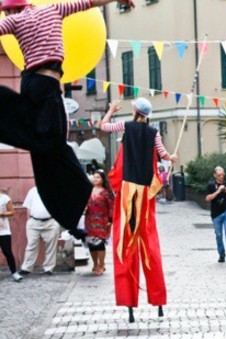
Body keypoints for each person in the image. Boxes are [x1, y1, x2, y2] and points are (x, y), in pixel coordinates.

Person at [0, 0, 134, 230]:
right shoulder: (55, 9)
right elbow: (90, 2)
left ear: (13, 9)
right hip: (47, 85)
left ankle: (74, 211)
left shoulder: (14, 19)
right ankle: (78, 206)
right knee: (51, 143)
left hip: (34, 85)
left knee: (44, 145)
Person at [101, 97, 177, 322]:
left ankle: (128, 303)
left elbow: (103, 126)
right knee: (149, 243)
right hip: (145, 194)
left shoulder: (127, 125)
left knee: (125, 245)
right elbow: (164, 154)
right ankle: (159, 302)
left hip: (127, 191)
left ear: (134, 111)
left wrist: (110, 110)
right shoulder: (154, 133)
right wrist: (171, 157)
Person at [18, 186, 61, 275]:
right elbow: (28, 207)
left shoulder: (54, 190)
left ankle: (48, 269)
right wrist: (29, 220)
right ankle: (26, 268)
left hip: (51, 221)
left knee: (51, 246)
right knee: (31, 245)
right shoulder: (32, 191)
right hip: (34, 221)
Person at [84, 169, 114, 275]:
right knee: (91, 243)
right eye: (94, 177)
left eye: (98, 177)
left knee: (100, 244)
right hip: (89, 220)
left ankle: (101, 264)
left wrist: (111, 220)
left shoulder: (106, 192)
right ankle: (95, 264)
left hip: (102, 221)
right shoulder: (88, 190)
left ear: (102, 179)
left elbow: (111, 206)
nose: (95, 179)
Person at [205, 166, 226, 263]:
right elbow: (207, 198)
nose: (221, 177)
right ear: (215, 175)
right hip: (216, 214)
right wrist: (218, 191)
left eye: (223, 174)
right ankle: (221, 255)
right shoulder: (211, 186)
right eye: (219, 175)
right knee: (218, 235)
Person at [0, 188, 22, 281]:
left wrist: (2, 214)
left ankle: (14, 273)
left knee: (7, 252)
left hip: (3, 231)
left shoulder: (4, 198)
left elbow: (12, 212)